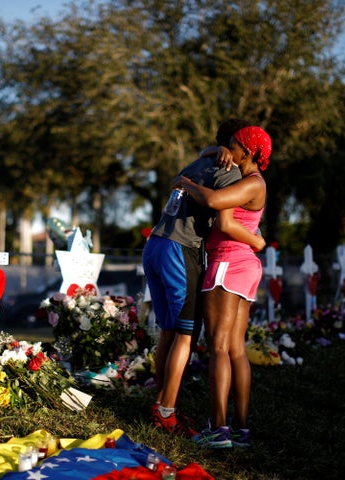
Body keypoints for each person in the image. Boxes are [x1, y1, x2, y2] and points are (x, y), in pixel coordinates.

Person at [142, 119, 265, 438]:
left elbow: (176, 181)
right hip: (181, 248)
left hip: (155, 242)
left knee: (169, 331)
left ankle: (162, 405)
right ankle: (167, 411)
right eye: (234, 144)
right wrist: (255, 240)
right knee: (186, 333)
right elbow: (221, 216)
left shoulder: (203, 160)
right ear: (234, 147)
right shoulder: (231, 171)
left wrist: (193, 170)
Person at [175, 125, 272, 448]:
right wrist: (216, 151)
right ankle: (240, 428)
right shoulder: (247, 179)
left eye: (234, 145)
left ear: (249, 152)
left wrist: (186, 184)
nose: (228, 147)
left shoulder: (251, 183)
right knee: (235, 349)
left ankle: (219, 429)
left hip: (228, 264)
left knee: (218, 348)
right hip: (242, 266)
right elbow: (210, 153)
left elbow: (217, 206)